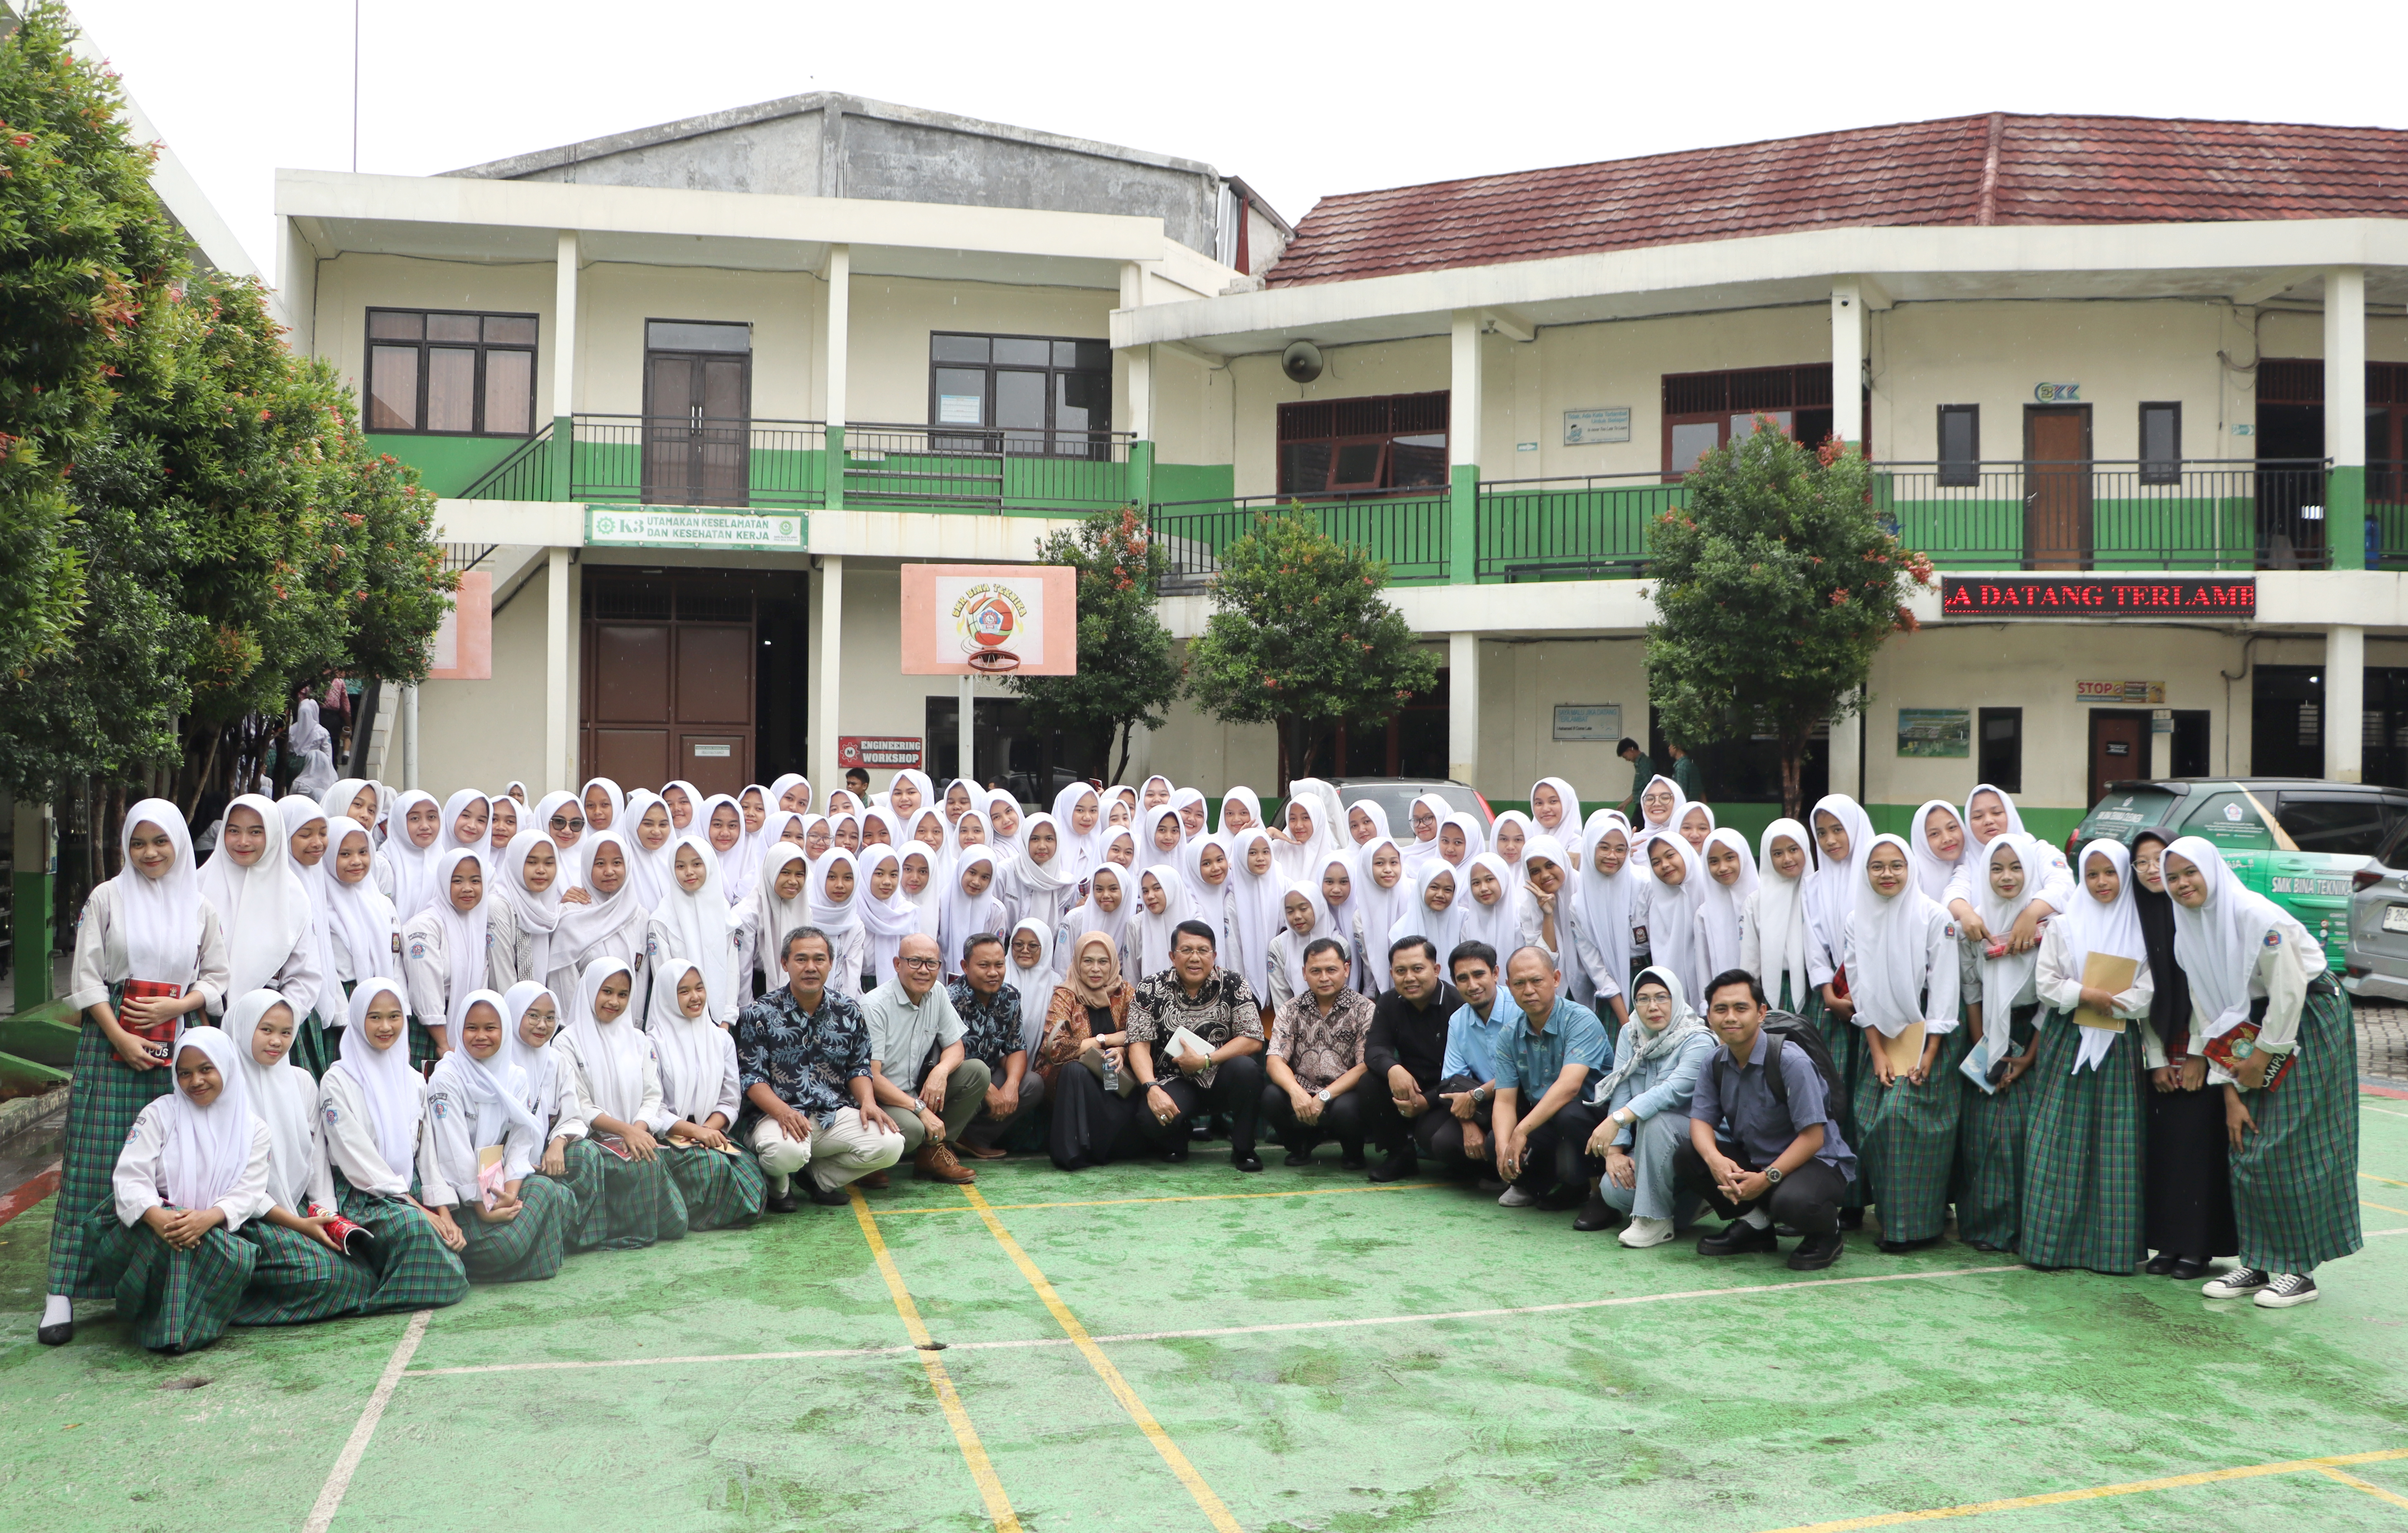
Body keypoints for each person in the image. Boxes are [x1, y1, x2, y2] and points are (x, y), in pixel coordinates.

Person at [43, 801, 230, 1347]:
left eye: (161, 842)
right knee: (93, 1160)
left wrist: (178, 1008)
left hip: (179, 1042)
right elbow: (87, 978)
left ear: (178, 844)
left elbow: (217, 979)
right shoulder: (107, 898)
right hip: (112, 1040)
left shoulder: (199, 906)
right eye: (140, 843)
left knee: (173, 1162)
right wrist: (120, 1037)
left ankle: (157, 1283)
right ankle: (64, 1289)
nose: (150, 853)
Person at [2163, 837, 2360, 1309]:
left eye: (2189, 872)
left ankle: (2298, 1270)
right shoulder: (2187, 930)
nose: (2181, 884)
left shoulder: (2256, 917)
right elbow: (2208, 1011)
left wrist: (2262, 1058)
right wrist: (2228, 1087)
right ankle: (2256, 1260)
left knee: (2287, 1141)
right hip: (2247, 1029)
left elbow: (2289, 992)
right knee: (2244, 1139)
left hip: (2304, 1018)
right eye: (2171, 878)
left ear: (2211, 869)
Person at [85, 1027, 275, 1351]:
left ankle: (186, 1315)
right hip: (151, 1229)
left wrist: (208, 1218)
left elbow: (249, 1190)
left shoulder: (253, 1128)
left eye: (206, 1069)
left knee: (299, 1268)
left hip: (214, 1229)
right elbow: (130, 1177)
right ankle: (176, 1332)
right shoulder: (160, 1113)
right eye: (184, 1073)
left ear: (226, 1066)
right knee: (177, 1246)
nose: (195, 1081)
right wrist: (158, 1217)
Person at [2020, 839, 2153, 1274]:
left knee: (2113, 1144)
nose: (2100, 882)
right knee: (2058, 1139)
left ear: (2123, 874)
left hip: (2118, 1043)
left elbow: (2151, 987)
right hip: (2067, 1039)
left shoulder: (2141, 926)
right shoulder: (2064, 926)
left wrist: (2120, 1002)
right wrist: (2085, 994)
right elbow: (2047, 983)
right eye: (2092, 873)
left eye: (2109, 873)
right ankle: (2049, 1246)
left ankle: (2109, 1252)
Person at [1676, 969, 1855, 1270]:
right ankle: (1755, 1227)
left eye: (1740, 1008)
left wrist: (1765, 1179)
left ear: (1761, 1013)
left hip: (1815, 1163)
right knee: (1690, 1154)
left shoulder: (1790, 1061)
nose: (1730, 1017)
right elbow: (1701, 1122)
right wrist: (1714, 1160)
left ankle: (1827, 1234)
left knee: (1791, 1202)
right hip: (1758, 1161)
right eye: (1721, 1009)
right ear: (1708, 1016)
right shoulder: (1714, 1061)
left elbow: (1813, 1138)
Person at [221, 990, 378, 1327]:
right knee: (328, 1277)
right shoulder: (224, 1089)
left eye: (286, 1032)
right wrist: (297, 1225)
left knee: (362, 1274)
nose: (277, 1041)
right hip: (248, 1217)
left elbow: (316, 1160)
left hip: (296, 1210)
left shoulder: (301, 1081)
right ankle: (234, 1303)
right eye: (266, 1030)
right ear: (244, 1026)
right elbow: (236, 1183)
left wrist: (328, 1218)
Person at [315, 979, 473, 1313]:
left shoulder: (414, 1079)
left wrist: (443, 1212)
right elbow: (356, 1157)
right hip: (364, 1196)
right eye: (374, 1017)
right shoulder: (338, 1080)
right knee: (414, 1228)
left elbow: (428, 1154)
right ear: (358, 1019)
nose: (386, 1027)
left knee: (451, 1234)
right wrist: (420, 1211)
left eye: (395, 1016)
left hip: (411, 1190)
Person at [1844, 834, 1964, 1253]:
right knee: (1869, 1116)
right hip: (1880, 1037)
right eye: (1877, 866)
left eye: (1896, 865)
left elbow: (1946, 988)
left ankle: (1913, 1226)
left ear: (1909, 868)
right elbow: (1861, 989)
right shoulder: (1857, 919)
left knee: (1901, 1117)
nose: (1887, 874)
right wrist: (1877, 1052)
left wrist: (1928, 1053)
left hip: (1932, 1034)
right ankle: (1892, 1219)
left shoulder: (1934, 917)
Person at [735, 926, 907, 1208]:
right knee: (784, 1152)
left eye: (819, 959)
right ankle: (778, 1189)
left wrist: (868, 1102)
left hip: (830, 1114)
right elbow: (752, 1078)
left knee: (891, 1143)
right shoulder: (760, 1013)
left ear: (830, 963)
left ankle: (817, 1178)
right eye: (801, 959)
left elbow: (858, 1067)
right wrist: (783, 1111)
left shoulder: (849, 1010)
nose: (811, 967)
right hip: (775, 1115)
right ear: (785, 964)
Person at [2129, 829, 2234, 1279]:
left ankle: (2197, 1248)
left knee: (2198, 1145)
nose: (2153, 871)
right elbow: (2136, 993)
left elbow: (2206, 988)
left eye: (2161, 861)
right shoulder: (2133, 914)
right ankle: (2168, 1244)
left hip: (2201, 1042)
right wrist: (2154, 1058)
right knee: (2165, 1147)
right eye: (2142, 863)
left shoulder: (2194, 912)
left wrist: (2197, 1054)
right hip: (2157, 1045)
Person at [421, 991, 574, 1282]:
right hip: (458, 1198)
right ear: (460, 1030)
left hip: (497, 1185)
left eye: (491, 1028)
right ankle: (498, 1256)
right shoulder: (448, 1078)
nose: (481, 1036)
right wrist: (484, 1208)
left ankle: (504, 1257)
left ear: (505, 1029)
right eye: (471, 1028)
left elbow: (520, 1140)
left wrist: (510, 1194)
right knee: (509, 1243)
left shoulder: (514, 1076)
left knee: (549, 1191)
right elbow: (454, 1154)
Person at [1565, 967, 1717, 1244]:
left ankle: (1654, 1219)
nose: (1653, 1007)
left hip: (1697, 1140)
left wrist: (1616, 1121)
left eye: (1662, 997)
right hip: (1650, 1140)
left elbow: (1669, 1092)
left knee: (1654, 1117)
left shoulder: (1698, 1039)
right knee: (1614, 1190)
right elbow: (1621, 1086)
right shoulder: (1631, 1032)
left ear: (1676, 998)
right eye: (1642, 999)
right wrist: (1614, 1152)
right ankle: (1688, 1205)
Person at [555, 958, 690, 1247]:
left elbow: (653, 1095)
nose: (614, 1001)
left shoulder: (639, 1040)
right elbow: (579, 1103)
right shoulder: (566, 1042)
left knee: (651, 1167)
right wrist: (625, 1131)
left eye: (623, 994)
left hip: (635, 1136)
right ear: (590, 990)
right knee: (637, 1165)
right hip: (591, 1138)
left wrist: (637, 1130)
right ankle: (605, 1232)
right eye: (607, 991)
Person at [1955, 833, 2045, 1253]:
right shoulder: (1974, 925)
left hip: (2032, 1035)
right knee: (1982, 1133)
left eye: (2015, 868)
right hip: (1988, 1033)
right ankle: (1984, 1226)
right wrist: (1982, 1046)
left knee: (2022, 1131)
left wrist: (2027, 1056)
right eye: (1995, 868)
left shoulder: (2049, 927)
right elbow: (1971, 988)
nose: (2006, 877)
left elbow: (2050, 997)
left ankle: (2024, 1228)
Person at [1125, 920, 1269, 1171]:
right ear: (1172, 956)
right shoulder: (1149, 988)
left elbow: (1253, 1037)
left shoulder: (1233, 983)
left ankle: (1244, 1148)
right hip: (1173, 1080)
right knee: (1151, 1120)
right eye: (1187, 950)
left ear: (1214, 955)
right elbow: (1138, 1044)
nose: (1195, 958)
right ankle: (1179, 1134)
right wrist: (1151, 1088)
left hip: (1221, 1075)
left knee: (1247, 1070)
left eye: (1203, 951)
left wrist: (1206, 1061)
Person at [645, 959, 768, 1229]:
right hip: (669, 1138)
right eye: (684, 991)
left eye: (699, 988)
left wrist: (708, 1131)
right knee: (715, 1168)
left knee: (751, 1176)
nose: (695, 997)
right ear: (667, 996)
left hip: (712, 1133)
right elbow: (653, 1106)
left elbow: (730, 1098)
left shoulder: (720, 1038)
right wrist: (695, 1132)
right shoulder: (652, 1043)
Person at [1489, 946, 1611, 1209]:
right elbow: (1504, 1100)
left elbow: (1570, 1088)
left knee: (1569, 1115)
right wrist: (1504, 1146)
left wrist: (1520, 1131)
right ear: (1509, 986)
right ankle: (1563, 1185)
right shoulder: (1509, 1034)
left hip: (1594, 1115)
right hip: (1548, 1116)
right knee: (1494, 1141)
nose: (1528, 990)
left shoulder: (1581, 1020)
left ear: (1556, 979)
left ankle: (1598, 1195)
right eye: (1519, 983)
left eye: (1537, 981)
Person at [860, 933, 986, 1185]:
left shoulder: (936, 992)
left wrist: (941, 1071)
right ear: (898, 964)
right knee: (914, 1129)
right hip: (880, 1097)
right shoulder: (875, 1005)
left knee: (977, 1073)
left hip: (917, 1089)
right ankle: (869, 1160)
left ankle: (933, 1153)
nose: (924, 971)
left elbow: (956, 1047)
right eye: (915, 962)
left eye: (932, 963)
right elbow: (871, 1076)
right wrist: (920, 1110)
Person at [1033, 931, 1146, 1170]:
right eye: (1088, 961)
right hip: (1073, 1083)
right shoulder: (1066, 994)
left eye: (1103, 962)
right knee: (1076, 1070)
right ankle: (1073, 1152)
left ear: (1114, 963)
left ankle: (1109, 1145)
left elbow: (1141, 1035)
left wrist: (1123, 1052)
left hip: (1116, 1077)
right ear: (1077, 963)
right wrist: (1106, 1040)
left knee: (1116, 1068)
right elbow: (1056, 1048)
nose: (1096, 969)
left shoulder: (1126, 993)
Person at [1261, 937, 1378, 1167]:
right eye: (1316, 971)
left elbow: (1366, 1065)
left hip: (1344, 1092)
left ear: (1346, 969)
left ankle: (1353, 1151)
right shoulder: (1291, 1009)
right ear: (1304, 973)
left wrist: (1324, 1096)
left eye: (1331, 970)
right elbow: (1274, 1060)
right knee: (1271, 1097)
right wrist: (1296, 1092)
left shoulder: (1365, 1009)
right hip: (1303, 1090)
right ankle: (1300, 1145)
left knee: (1348, 1108)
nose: (1324, 978)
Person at [401, 847, 520, 1062]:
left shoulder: (477, 925)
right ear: (444, 883)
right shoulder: (425, 926)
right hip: (432, 1034)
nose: (468, 889)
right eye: (457, 881)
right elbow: (424, 988)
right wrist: (444, 1045)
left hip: (469, 1034)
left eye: (475, 881)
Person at [1360, 936, 1462, 1182]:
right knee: (1369, 1082)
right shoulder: (1388, 1001)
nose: (1410, 978)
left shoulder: (1458, 1003)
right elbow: (1374, 1048)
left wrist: (1426, 1101)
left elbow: (1465, 1073)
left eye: (1418, 969)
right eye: (1401, 971)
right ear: (1392, 973)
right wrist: (1394, 1069)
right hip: (1408, 1085)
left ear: (1436, 970)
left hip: (1450, 1091)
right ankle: (1400, 1155)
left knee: (1439, 1141)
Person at [947, 933, 1045, 1159]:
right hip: (956, 1082)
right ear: (965, 966)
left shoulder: (1009, 997)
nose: (994, 973)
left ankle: (972, 1137)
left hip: (990, 1076)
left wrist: (1011, 1085)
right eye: (984, 965)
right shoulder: (949, 1000)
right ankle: (942, 1141)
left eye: (999, 965)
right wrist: (986, 1088)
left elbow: (1017, 1047)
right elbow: (943, 1057)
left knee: (1032, 1084)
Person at [645, 832, 742, 1027]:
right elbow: (665, 978)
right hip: (677, 1023)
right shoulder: (662, 920)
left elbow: (732, 969)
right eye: (680, 866)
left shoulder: (724, 913)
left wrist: (726, 1021)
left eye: (697, 864)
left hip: (720, 1024)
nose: (689, 872)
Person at [1614, 737, 1654, 819]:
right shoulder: (1639, 764)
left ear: (1630, 750)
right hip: (1642, 804)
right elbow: (1639, 790)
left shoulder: (1644, 764)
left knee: (1635, 828)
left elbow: (1650, 786)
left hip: (1645, 805)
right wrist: (1625, 804)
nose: (1627, 760)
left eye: (1626, 757)